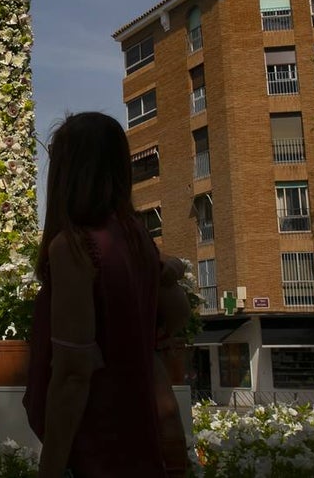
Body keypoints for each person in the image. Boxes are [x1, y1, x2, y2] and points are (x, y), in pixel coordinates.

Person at [23, 112, 189, 478]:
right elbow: (177, 312)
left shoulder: (74, 248)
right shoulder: (136, 238)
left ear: (67, 172)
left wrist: (48, 470)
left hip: (99, 444)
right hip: (143, 439)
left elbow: (72, 375)